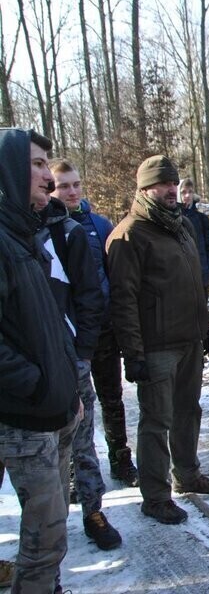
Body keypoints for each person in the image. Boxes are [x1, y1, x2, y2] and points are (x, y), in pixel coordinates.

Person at [106, 154, 209, 525]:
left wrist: (203, 327)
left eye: (173, 183)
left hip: (189, 339)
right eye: (163, 184)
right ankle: (155, 496)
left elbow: (195, 285)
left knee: (189, 410)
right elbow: (122, 300)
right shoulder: (129, 234)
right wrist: (133, 353)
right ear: (144, 189)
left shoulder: (182, 226)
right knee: (157, 421)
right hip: (156, 347)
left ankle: (187, 474)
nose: (172, 190)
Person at [0, 127, 81, 593]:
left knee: (51, 532)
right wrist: (35, 384)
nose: (48, 176)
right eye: (35, 164)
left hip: (54, 408)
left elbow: (50, 321)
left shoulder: (25, 233)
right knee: (44, 537)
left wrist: (66, 384)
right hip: (24, 415)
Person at [34, 182, 122, 551]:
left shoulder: (68, 232)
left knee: (82, 438)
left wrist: (82, 349)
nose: (56, 186)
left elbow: (89, 293)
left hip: (72, 358)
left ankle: (93, 511)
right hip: (27, 364)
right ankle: (38, 533)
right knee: (38, 454)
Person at [50, 158, 140, 488]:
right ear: (50, 187)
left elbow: (114, 276)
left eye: (76, 184)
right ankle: (77, 471)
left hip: (103, 330)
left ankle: (121, 459)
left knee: (112, 398)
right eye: (64, 186)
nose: (72, 191)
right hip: (67, 336)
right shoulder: (44, 228)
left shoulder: (99, 225)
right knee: (75, 408)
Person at [178, 178, 209, 293]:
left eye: (190, 192)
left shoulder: (202, 219)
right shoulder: (171, 219)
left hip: (202, 277)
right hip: (180, 280)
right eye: (183, 192)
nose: (187, 195)